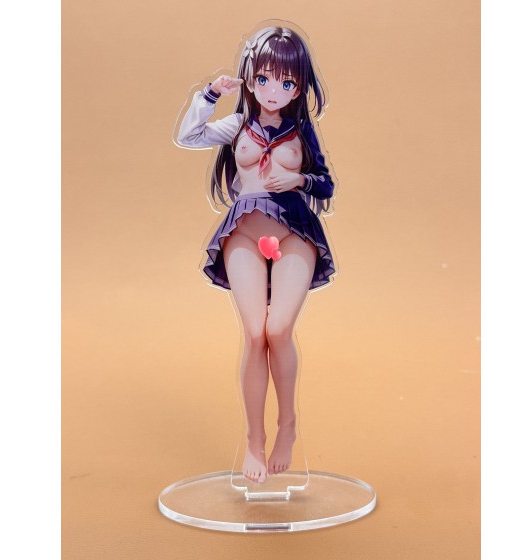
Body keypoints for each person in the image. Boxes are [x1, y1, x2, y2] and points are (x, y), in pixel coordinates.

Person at [175, 25, 336, 484]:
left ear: (298, 88)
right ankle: (254, 440)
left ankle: (287, 425)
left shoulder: (302, 132)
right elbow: (189, 136)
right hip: (244, 231)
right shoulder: (238, 126)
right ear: (249, 78)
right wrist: (210, 94)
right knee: (254, 333)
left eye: (286, 82)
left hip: (293, 231)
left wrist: (299, 180)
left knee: (279, 328)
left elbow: (326, 183)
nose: (273, 91)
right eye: (263, 79)